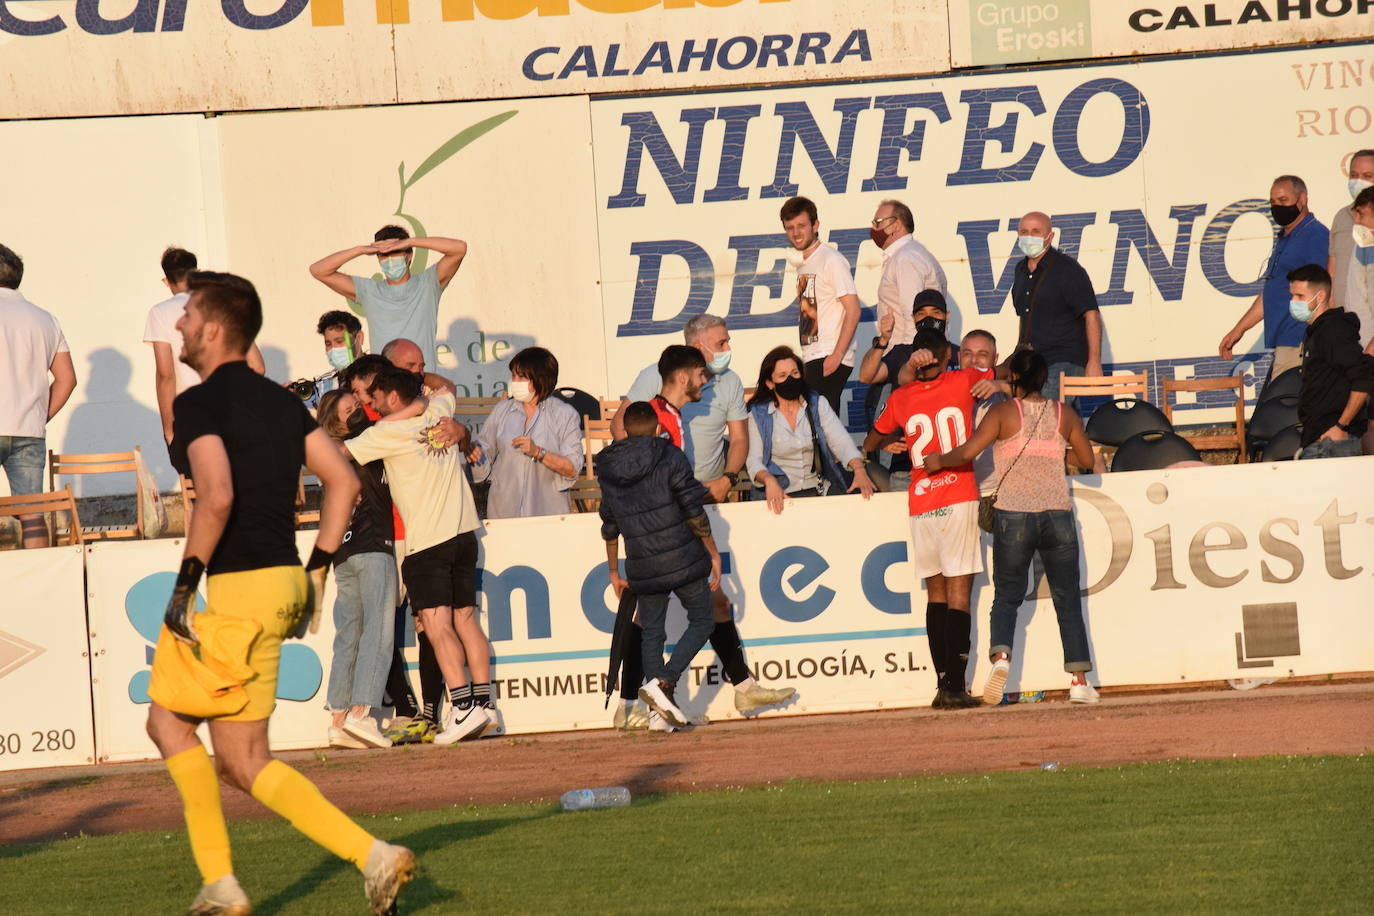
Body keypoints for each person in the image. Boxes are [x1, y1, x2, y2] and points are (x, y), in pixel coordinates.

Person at [143, 271, 414, 916]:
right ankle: (372, 857)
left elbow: (217, 496)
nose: (177, 326)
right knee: (243, 758)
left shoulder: (199, 404)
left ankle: (222, 884)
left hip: (235, 590)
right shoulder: (279, 401)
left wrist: (183, 588)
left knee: (167, 725)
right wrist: (314, 573)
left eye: (186, 316)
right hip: (281, 583)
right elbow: (342, 484)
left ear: (212, 328)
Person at [612, 321, 794, 721]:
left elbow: (738, 441)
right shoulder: (662, 404)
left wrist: (725, 481)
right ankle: (646, 697)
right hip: (674, 520)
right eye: (721, 342)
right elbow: (624, 435)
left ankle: (658, 703)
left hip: (677, 515)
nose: (728, 348)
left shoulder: (694, 400)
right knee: (693, 611)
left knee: (702, 607)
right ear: (692, 359)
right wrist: (701, 537)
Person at [924, 349, 1100, 707]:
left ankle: (1001, 657)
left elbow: (969, 452)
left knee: (1006, 599)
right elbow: (1085, 460)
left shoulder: (1003, 412)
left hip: (1014, 514)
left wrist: (938, 461)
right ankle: (1080, 680)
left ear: (1013, 379)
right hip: (1057, 515)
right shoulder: (1064, 413)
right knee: (1067, 600)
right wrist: (1052, 453)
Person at [344, 365, 494, 744]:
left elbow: (338, 451)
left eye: (377, 398)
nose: (374, 406)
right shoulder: (438, 410)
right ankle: (485, 706)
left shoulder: (385, 432)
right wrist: (423, 399)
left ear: (393, 398)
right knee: (466, 621)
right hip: (464, 533)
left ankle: (462, 710)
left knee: (437, 625)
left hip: (427, 542)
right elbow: (447, 385)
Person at [863, 327, 1004, 710]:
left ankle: (942, 684)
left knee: (936, 595)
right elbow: (1006, 379)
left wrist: (891, 442)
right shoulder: (963, 380)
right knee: (959, 594)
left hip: (920, 499)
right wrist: (1000, 384)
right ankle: (955, 687)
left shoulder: (901, 396)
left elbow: (870, 442)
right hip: (957, 492)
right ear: (947, 357)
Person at [600, 401, 722, 729]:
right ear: (657, 428)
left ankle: (658, 714)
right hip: (682, 557)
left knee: (652, 632)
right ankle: (664, 683)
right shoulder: (670, 455)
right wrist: (712, 551)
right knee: (703, 621)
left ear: (625, 431)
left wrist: (614, 570)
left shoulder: (609, 467)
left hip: (642, 564)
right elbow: (693, 510)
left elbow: (609, 525)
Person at [316, 389, 397, 750]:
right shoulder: (360, 441)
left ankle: (338, 719)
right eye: (350, 410)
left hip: (344, 552)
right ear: (335, 420)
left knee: (349, 633)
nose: (359, 412)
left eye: (358, 406)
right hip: (370, 545)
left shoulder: (327, 453)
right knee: (377, 631)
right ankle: (361, 715)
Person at [1, 241, 78, 549]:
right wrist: (39, 414)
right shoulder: (45, 318)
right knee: (32, 514)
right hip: (29, 430)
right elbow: (67, 378)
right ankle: (42, 586)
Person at [145, 247, 264, 445]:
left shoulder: (160, 313)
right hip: (232, 409)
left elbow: (166, 375)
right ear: (196, 272)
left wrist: (168, 429)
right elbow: (258, 366)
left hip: (192, 414)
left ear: (166, 281)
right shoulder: (223, 303)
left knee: (198, 475)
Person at [309, 225, 468, 371]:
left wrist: (409, 242)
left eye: (396, 251)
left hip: (422, 382)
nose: (390, 258)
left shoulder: (428, 283)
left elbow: (459, 249)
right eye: (384, 255)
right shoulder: (368, 290)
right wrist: (360, 250)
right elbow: (318, 270)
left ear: (409, 255)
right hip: (384, 386)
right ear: (378, 258)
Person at [1219, 176, 1330, 381]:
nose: (1277, 207)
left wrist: (1314, 338)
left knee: (1289, 405)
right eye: (1273, 202)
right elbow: (1272, 292)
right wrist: (1239, 330)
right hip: (1284, 339)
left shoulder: (1315, 236)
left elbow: (1326, 289)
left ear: (1302, 199)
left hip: (1300, 338)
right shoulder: (1285, 237)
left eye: (1283, 200)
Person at [746, 345, 875, 513]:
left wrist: (858, 469)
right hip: (780, 495)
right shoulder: (758, 414)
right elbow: (753, 460)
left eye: (795, 373)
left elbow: (841, 441)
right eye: (782, 376)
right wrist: (769, 481)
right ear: (770, 383)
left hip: (819, 491)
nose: (790, 380)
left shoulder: (817, 403)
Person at [469, 346, 583, 518]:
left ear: (540, 379)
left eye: (521, 376)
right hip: (504, 512)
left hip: (548, 514)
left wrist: (539, 452)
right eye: (513, 376)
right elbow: (483, 458)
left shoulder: (565, 415)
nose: (515, 381)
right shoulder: (502, 410)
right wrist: (473, 455)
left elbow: (573, 469)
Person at [1011, 211, 1103, 401]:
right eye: (1024, 232)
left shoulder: (1067, 269)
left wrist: (1094, 361)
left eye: (1036, 231)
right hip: (1033, 363)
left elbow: (1091, 314)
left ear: (1050, 236)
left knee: (1044, 416)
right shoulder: (1020, 270)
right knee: (1063, 423)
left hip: (1063, 360)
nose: (1029, 237)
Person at [781, 196, 860, 414]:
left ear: (815, 225)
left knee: (821, 425)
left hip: (829, 354)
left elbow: (853, 309)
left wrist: (837, 355)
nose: (796, 233)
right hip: (814, 354)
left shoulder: (830, 260)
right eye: (790, 228)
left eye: (801, 226)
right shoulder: (805, 263)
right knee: (818, 425)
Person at [1287, 265, 1373, 460]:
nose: (1293, 302)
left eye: (1300, 296)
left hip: (1332, 444)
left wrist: (1341, 425)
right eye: (1292, 295)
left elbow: (1363, 376)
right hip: (1318, 440)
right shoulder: (1317, 332)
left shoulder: (1332, 330)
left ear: (1320, 297)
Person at [869, 199, 948, 354]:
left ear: (896, 225)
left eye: (877, 222)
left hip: (910, 354)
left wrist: (907, 357)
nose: (873, 228)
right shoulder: (908, 254)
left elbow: (913, 313)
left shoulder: (906, 258)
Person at [1328, 150, 1374, 324]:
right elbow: (1332, 271)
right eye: (1354, 175)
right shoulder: (1341, 217)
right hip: (1345, 323)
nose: (1358, 181)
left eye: (1367, 175)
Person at [295, 310, 367, 411]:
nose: (334, 349)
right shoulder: (322, 387)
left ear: (359, 338)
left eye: (339, 341)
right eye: (328, 344)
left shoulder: (381, 374)